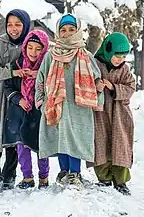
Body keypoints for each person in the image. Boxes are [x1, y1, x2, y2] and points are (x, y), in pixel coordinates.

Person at [35, 14, 103, 187]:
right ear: (58, 32)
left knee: (75, 138)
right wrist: (41, 101)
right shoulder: (51, 55)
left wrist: (98, 93)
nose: (67, 33)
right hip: (55, 105)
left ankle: (75, 172)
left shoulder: (85, 55)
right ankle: (64, 170)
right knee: (59, 138)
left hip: (79, 107)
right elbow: (40, 80)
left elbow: (97, 79)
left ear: (78, 31)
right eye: (63, 30)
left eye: (71, 29)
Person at [0, 9, 31, 193]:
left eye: (18, 24)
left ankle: (9, 174)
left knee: (14, 133)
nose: (13, 29)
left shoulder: (30, 43)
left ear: (25, 25)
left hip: (17, 95)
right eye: (10, 24)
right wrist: (13, 70)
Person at [3, 30, 50, 189]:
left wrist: (40, 77)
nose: (33, 52)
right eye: (30, 47)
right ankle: (27, 177)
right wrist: (19, 99)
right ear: (25, 47)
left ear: (44, 49)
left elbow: (53, 86)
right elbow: (7, 87)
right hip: (20, 112)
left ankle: (44, 177)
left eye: (38, 49)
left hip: (39, 113)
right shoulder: (16, 65)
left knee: (41, 146)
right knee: (22, 147)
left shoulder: (47, 67)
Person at [93, 32, 135, 196]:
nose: (120, 60)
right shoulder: (96, 65)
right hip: (100, 113)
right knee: (101, 143)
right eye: (117, 56)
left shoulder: (124, 70)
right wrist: (97, 85)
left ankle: (120, 180)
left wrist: (113, 87)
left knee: (120, 144)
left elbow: (131, 88)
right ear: (108, 50)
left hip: (119, 113)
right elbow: (87, 81)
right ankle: (103, 177)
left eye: (123, 56)